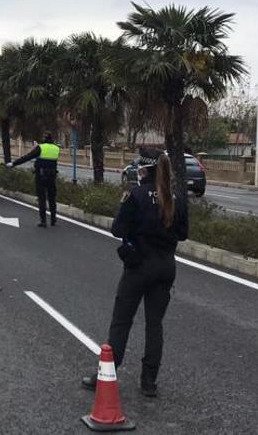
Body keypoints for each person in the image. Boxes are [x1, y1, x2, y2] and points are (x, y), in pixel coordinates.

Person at [82, 148, 188, 397]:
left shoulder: (136, 194)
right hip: (165, 267)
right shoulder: (176, 198)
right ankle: (149, 382)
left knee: (122, 321)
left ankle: (107, 373)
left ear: (144, 169)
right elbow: (183, 234)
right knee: (155, 325)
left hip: (139, 266)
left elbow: (117, 229)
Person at [6, 132, 60, 228]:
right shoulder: (56, 148)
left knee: (42, 198)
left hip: (41, 176)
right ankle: (53, 219)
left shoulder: (41, 148)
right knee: (52, 198)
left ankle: (43, 221)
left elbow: (27, 157)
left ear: (43, 139)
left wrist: (14, 163)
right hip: (52, 176)